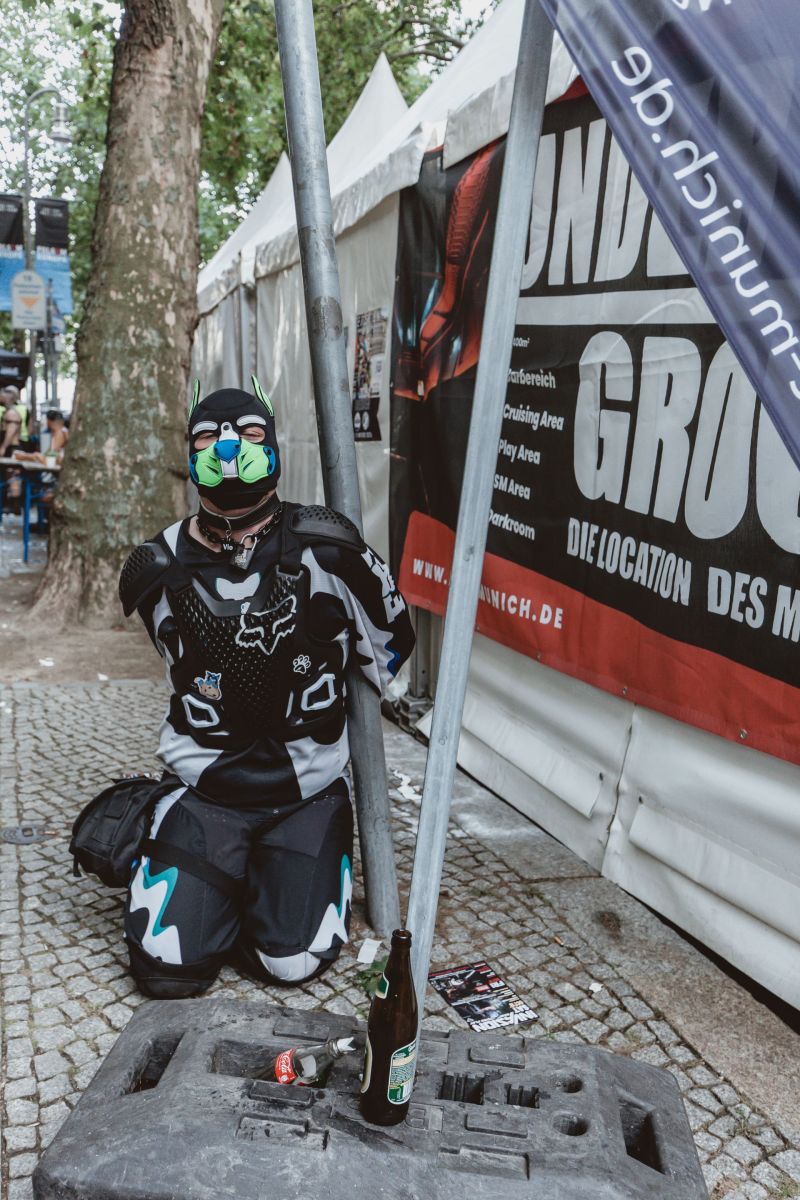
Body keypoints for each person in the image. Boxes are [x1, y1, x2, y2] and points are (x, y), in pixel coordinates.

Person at [118, 377, 415, 998]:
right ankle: (197, 854)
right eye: (207, 438)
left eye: (250, 433)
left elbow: (391, 647)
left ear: (274, 442)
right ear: (189, 449)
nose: (228, 449)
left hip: (306, 791)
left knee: (293, 963)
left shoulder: (331, 551)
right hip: (206, 790)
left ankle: (258, 879)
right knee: (166, 967)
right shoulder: (156, 568)